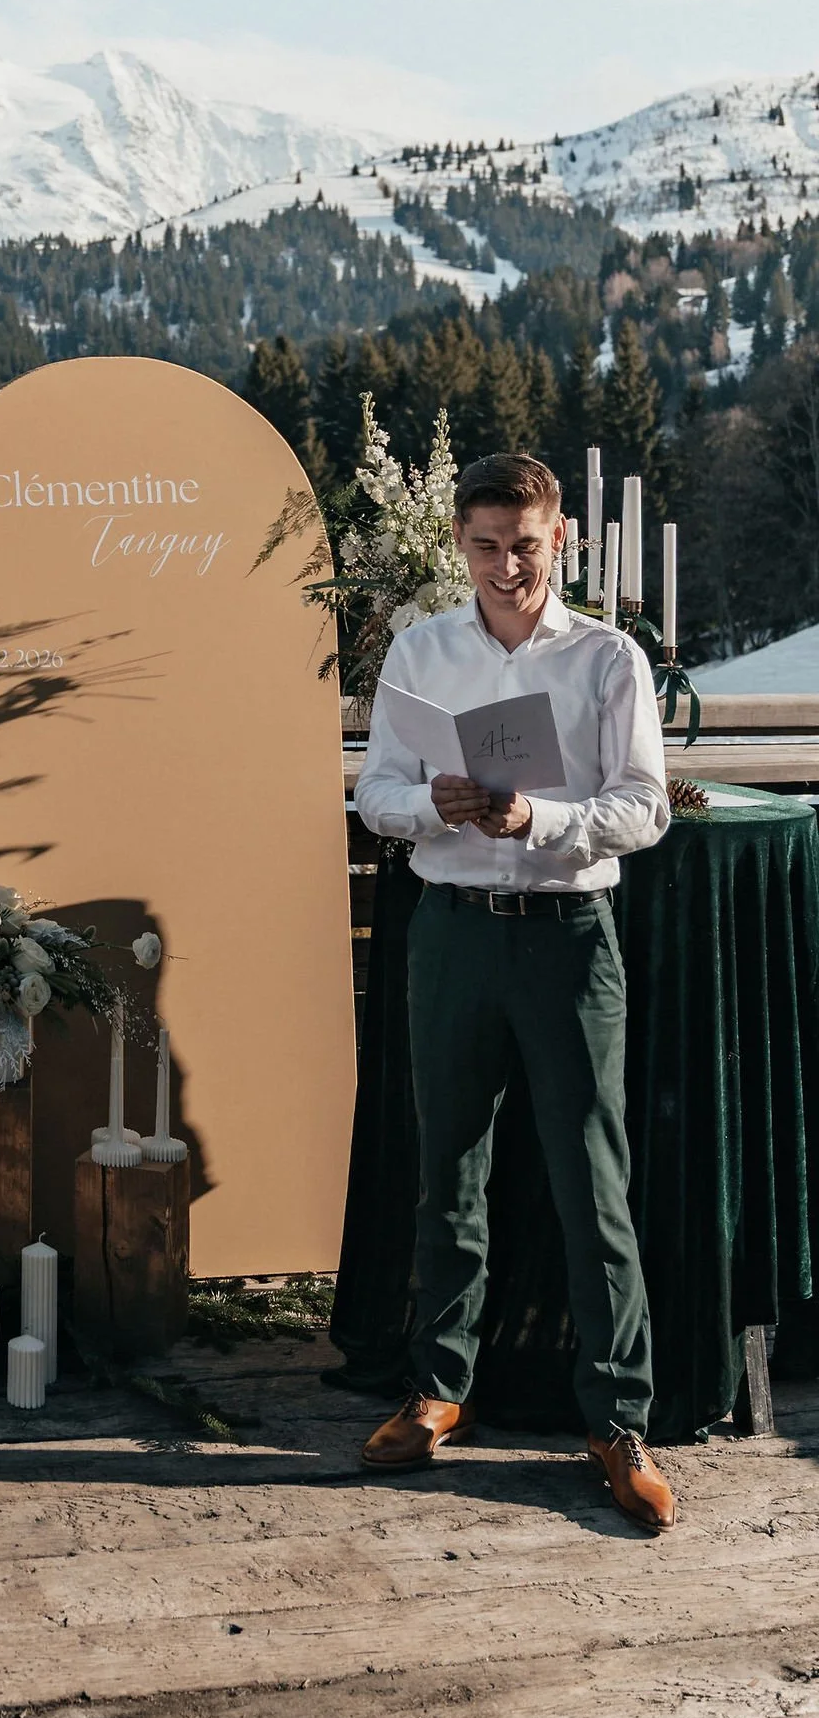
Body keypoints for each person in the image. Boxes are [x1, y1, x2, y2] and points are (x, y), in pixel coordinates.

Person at [354, 450, 676, 1531]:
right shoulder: (420, 650)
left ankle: (617, 1420)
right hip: (448, 932)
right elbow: (373, 794)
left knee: (593, 1179)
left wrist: (534, 819)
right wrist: (432, 803)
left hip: (566, 936)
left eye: (525, 547)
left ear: (560, 541)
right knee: (446, 1168)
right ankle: (438, 1389)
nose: (505, 566)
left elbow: (642, 808)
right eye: (485, 546)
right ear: (459, 543)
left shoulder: (605, 658)